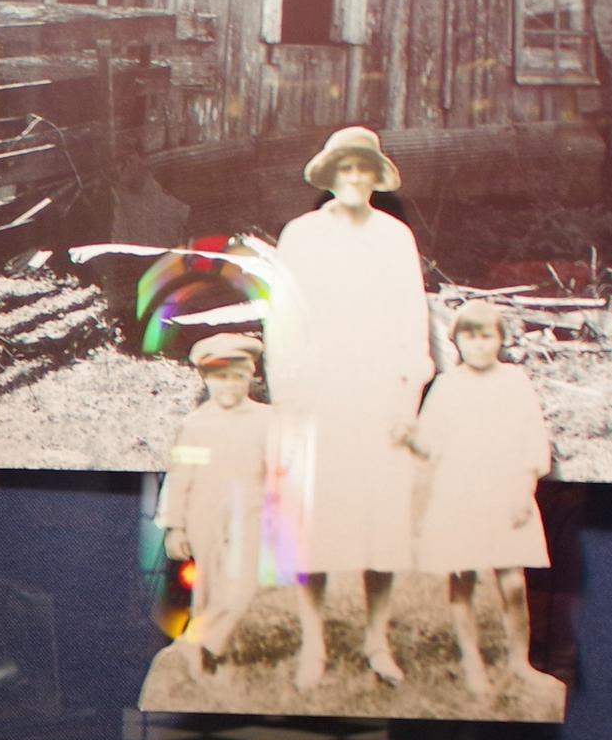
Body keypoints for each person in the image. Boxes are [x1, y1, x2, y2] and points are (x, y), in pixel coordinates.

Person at [264, 128, 435, 690]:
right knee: (315, 520)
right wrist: (288, 390)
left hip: (378, 390)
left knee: (379, 521)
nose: (355, 179)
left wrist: (409, 396)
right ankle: (314, 641)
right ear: (330, 175)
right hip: (318, 391)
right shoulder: (301, 235)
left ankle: (375, 640)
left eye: (364, 169)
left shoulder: (394, 237)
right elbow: (283, 318)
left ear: (376, 177)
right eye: (346, 169)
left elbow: (412, 317)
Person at [408, 300, 553, 694]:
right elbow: (428, 444)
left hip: (506, 490)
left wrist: (526, 488)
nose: (479, 345)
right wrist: (409, 437)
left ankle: (519, 662)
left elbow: (532, 439)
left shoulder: (515, 382)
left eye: (486, 336)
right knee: (463, 578)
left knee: (512, 584)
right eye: (469, 337)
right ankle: (471, 662)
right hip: (461, 493)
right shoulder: (447, 385)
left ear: (500, 339)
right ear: (456, 342)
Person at [155, 332, 286, 676]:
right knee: (209, 588)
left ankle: (211, 643)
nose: (229, 386)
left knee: (244, 587)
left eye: (237, 377)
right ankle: (204, 655)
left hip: (252, 512)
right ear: (206, 378)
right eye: (220, 377)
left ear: (252, 377)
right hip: (205, 512)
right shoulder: (196, 425)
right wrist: (175, 526)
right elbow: (181, 476)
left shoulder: (267, 419)